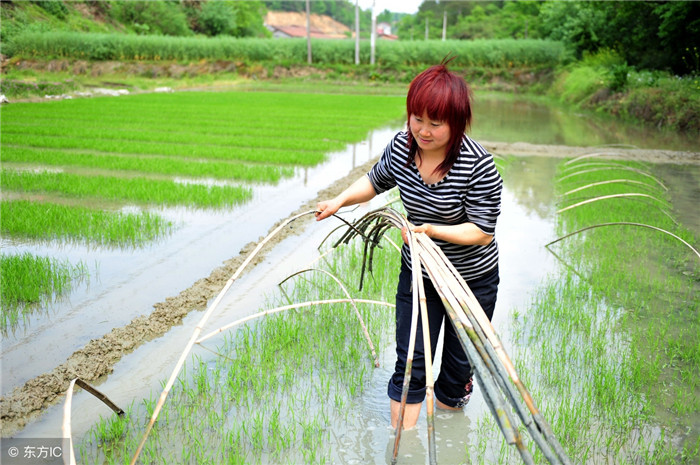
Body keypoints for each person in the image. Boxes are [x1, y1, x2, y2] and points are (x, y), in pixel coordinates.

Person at [315, 61, 502, 430]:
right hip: (419, 274)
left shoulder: (479, 165)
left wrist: (431, 230)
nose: (423, 131)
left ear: (458, 122)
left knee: (458, 367)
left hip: (471, 281)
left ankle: (449, 429)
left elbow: (482, 232)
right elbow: (375, 180)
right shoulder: (402, 147)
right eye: (417, 118)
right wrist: (339, 200)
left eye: (436, 123)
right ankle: (403, 443)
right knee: (411, 362)